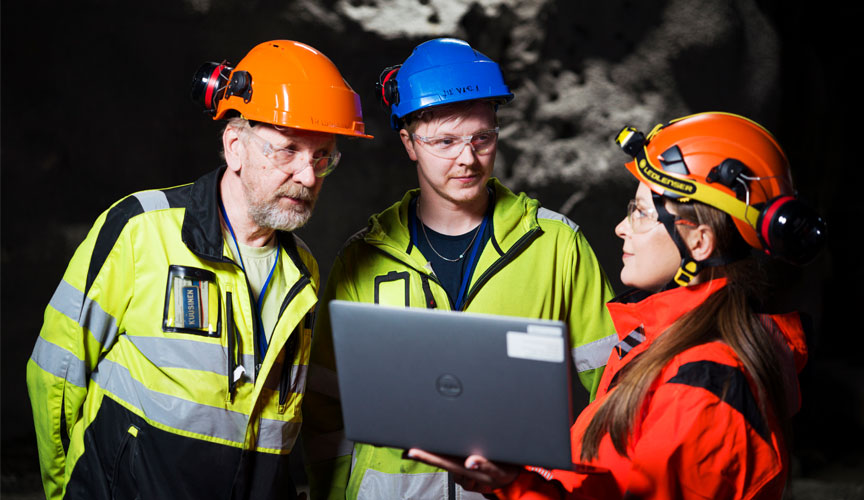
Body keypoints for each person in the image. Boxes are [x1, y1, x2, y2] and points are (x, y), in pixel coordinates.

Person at [407, 112, 826, 499]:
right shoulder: (659, 340)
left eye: (642, 213)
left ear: (700, 241)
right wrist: (511, 478)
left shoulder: (703, 386)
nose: (622, 228)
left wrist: (517, 486)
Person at [26, 40, 372, 500]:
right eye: (288, 150)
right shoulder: (141, 229)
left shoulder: (302, 271)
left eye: (321, 157)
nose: (308, 176)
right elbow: (56, 371)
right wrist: (67, 492)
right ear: (235, 146)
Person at [302, 38, 618, 500]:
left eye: (481, 138)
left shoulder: (556, 245)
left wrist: (554, 486)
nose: (467, 158)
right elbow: (326, 406)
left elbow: (617, 391)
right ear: (409, 142)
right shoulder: (364, 256)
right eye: (446, 141)